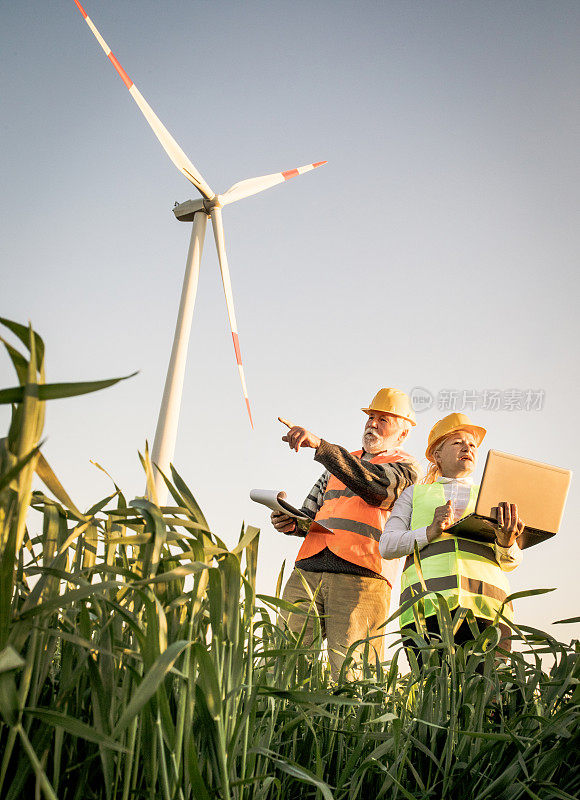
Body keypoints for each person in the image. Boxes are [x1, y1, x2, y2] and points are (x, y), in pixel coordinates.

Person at [272, 388, 420, 680]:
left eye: (383, 420)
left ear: (402, 434)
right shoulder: (338, 462)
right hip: (308, 570)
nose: (373, 424)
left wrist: (322, 447)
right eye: (371, 417)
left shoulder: (407, 468)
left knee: (352, 676)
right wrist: (290, 521)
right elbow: (310, 515)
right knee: (284, 664)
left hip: (363, 577)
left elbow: (377, 488)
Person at [379, 412, 524, 658]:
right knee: (434, 692)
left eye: (472, 444)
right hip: (426, 610)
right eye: (457, 442)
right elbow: (387, 545)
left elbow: (511, 562)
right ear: (437, 455)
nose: (467, 447)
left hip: (488, 610)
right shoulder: (415, 494)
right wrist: (429, 532)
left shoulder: (492, 496)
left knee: (487, 694)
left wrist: (507, 542)